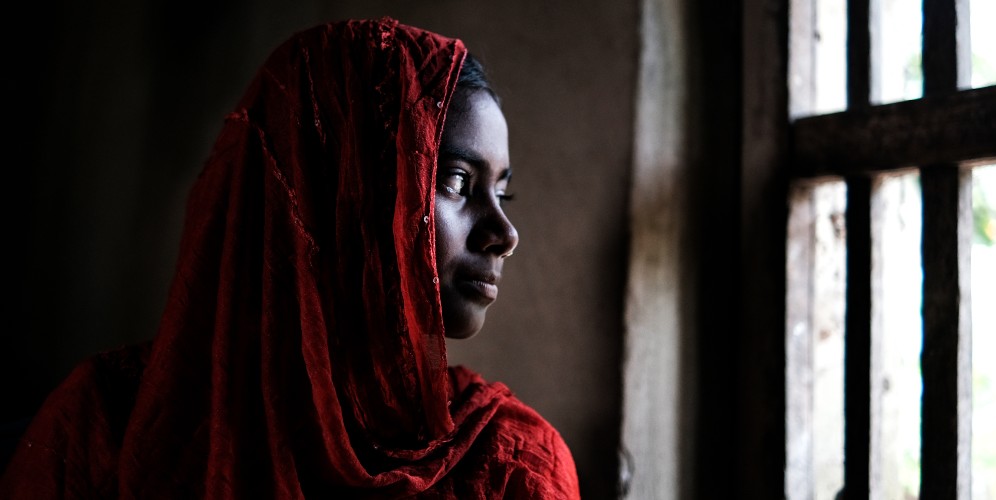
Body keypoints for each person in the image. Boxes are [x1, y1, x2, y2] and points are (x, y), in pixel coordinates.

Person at [0, 18, 579, 499]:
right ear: (338, 191)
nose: (505, 233)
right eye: (456, 181)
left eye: (503, 194)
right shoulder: (106, 427)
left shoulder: (508, 462)